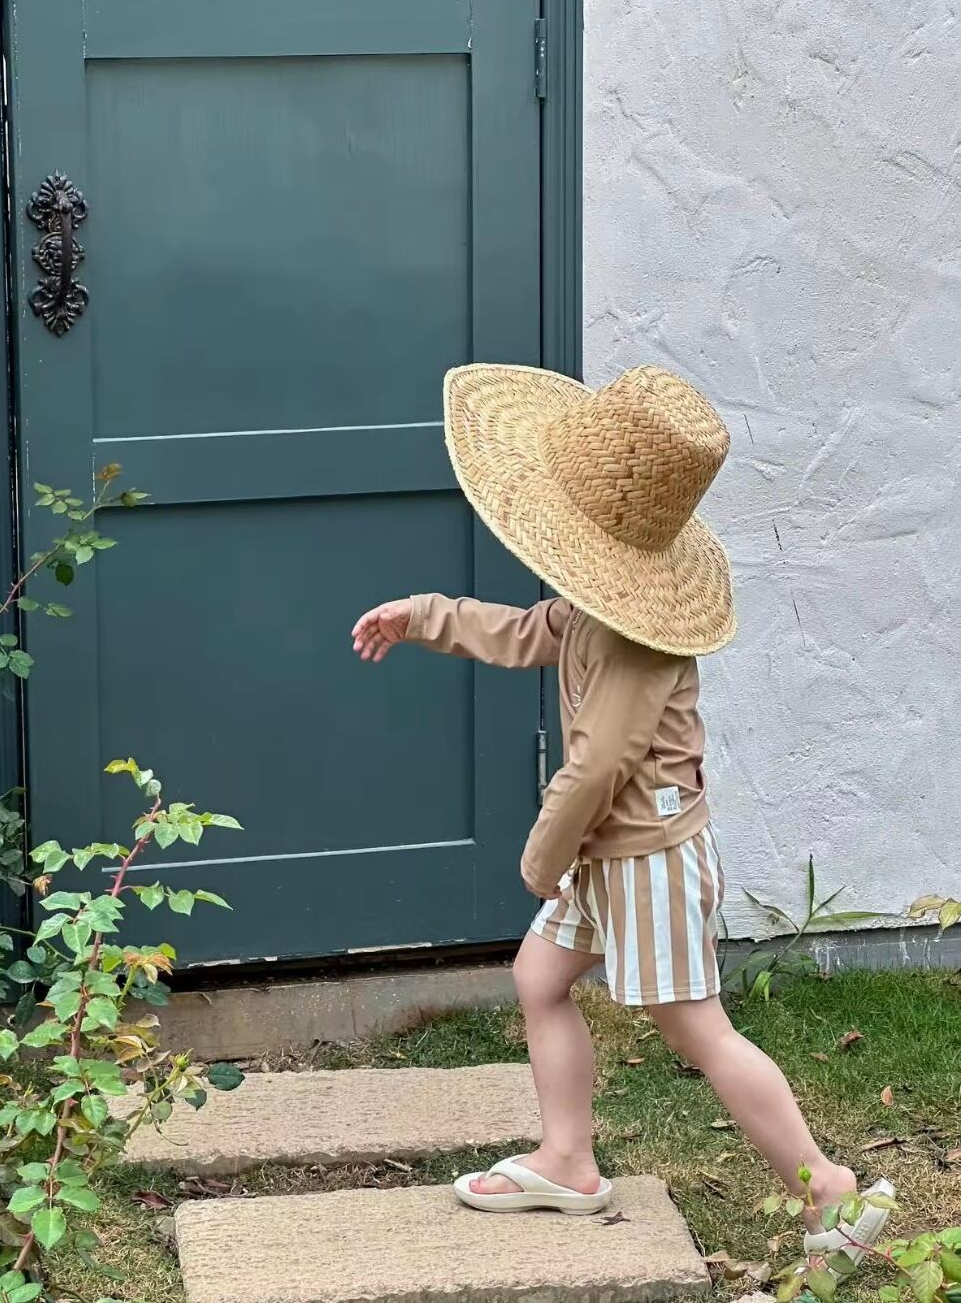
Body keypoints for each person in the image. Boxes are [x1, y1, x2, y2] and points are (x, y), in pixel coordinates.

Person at [351, 362, 892, 1262]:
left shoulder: (638, 639)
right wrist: (425, 617)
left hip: (646, 855)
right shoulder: (594, 609)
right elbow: (528, 631)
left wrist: (540, 857)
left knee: (697, 1028)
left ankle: (828, 1191)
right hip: (608, 852)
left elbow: (599, 765)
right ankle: (568, 1161)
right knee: (540, 979)